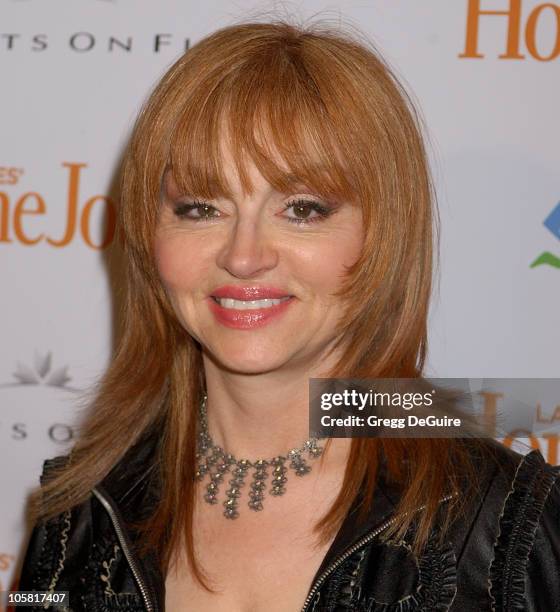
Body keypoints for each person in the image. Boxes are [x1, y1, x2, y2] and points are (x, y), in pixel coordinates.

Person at [17, 18, 559, 612]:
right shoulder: (75, 516)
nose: (243, 256)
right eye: (201, 207)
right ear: (150, 238)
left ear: (383, 236)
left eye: (302, 209)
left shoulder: (508, 528)